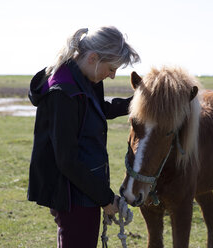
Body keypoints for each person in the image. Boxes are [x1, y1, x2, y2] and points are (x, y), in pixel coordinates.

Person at [27, 26, 140, 248]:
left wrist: (140, 101)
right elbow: (67, 161)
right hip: (74, 196)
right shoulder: (64, 92)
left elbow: (99, 109)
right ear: (93, 58)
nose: (112, 75)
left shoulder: (83, 80)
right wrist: (106, 199)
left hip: (84, 190)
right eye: (111, 68)